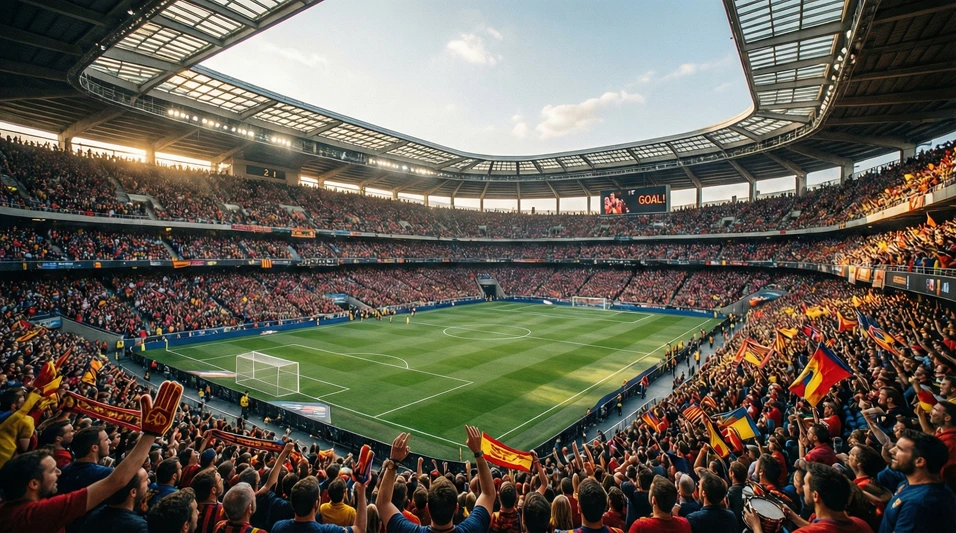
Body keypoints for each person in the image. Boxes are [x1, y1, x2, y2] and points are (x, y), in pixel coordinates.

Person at [0, 427, 160, 532]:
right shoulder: (36, 515)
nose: (59, 472)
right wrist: (151, 432)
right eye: (51, 470)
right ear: (33, 484)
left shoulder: (9, 511)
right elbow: (116, 481)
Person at [377, 427, 492, 533]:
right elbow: (488, 494)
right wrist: (478, 453)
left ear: (428, 508)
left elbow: (383, 504)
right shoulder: (472, 529)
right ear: (456, 508)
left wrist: (394, 462)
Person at [749, 462, 872, 533]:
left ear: (815, 496)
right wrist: (792, 515)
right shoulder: (861, 524)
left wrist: (756, 526)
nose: (802, 486)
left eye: (805, 484)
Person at [879, 429, 956, 533]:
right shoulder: (912, 484)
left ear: (919, 461)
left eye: (900, 449)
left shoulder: (918, 504)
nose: (892, 450)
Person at [272, 475, 367, 533]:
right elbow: (359, 529)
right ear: (316, 504)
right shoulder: (327, 531)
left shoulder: (278, 527)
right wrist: (362, 489)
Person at [78, 467, 150, 533]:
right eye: (146, 480)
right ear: (133, 492)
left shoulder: (94, 517)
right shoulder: (139, 527)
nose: (149, 482)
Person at [58, 426, 114, 495]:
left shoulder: (62, 472)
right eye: (106, 439)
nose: (110, 442)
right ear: (94, 448)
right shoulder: (105, 473)